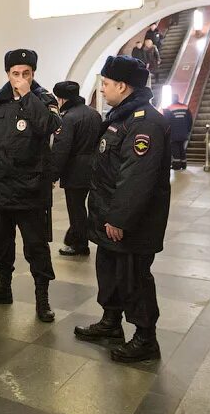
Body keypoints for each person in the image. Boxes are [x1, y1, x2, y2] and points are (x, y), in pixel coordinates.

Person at [74, 56, 170, 363]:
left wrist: (119, 218)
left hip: (130, 223)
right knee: (110, 272)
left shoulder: (145, 122)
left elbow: (137, 177)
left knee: (134, 277)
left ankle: (145, 338)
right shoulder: (121, 117)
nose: (102, 89)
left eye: (104, 84)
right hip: (108, 216)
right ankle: (111, 322)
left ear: (122, 86)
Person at [0, 49, 62, 323]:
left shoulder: (44, 99)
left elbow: (48, 126)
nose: (20, 78)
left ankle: (42, 297)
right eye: (15, 73)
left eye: (26, 73)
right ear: (7, 74)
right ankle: (2, 287)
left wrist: (27, 97)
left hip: (31, 189)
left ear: (33, 74)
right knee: (1, 243)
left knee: (36, 247)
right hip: (0, 187)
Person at [48, 81, 103, 257]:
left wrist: (53, 175)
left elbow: (61, 149)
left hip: (75, 170)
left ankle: (79, 244)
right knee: (85, 207)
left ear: (62, 98)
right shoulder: (94, 114)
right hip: (94, 167)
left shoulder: (68, 118)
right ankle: (77, 238)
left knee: (76, 209)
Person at [163, 94, 193, 170]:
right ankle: (184, 164)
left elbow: (166, 122)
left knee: (175, 148)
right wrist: (188, 130)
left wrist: (165, 132)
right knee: (181, 148)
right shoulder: (185, 107)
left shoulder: (169, 108)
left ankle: (176, 165)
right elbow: (190, 120)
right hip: (184, 132)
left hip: (174, 133)